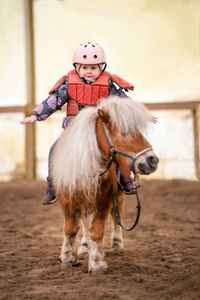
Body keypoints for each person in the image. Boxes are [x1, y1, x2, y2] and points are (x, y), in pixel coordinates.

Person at [21, 41, 157, 205]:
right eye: (85, 67)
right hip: (75, 129)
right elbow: (54, 100)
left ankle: (125, 179)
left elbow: (124, 102)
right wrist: (36, 115)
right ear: (77, 67)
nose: (89, 71)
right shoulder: (68, 83)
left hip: (100, 129)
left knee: (119, 149)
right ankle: (52, 186)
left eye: (93, 67)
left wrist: (142, 115)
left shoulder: (109, 84)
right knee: (54, 150)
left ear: (101, 67)